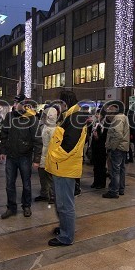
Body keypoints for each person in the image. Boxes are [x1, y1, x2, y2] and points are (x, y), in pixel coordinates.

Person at [45, 90, 88, 246]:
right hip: (62, 167)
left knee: (65, 205)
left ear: (64, 103)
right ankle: (65, 228)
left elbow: (69, 146)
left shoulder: (75, 118)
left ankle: (66, 236)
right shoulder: (71, 116)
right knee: (62, 203)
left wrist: (53, 157)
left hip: (65, 167)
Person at [0, 94, 42, 219]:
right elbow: (4, 133)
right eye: (15, 102)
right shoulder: (9, 116)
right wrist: (3, 150)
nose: (15, 104)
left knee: (26, 183)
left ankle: (26, 206)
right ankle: (11, 207)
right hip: (11, 156)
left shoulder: (31, 118)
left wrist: (36, 159)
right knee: (9, 184)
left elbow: (37, 140)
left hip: (25, 156)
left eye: (17, 102)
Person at [103, 101, 130, 198]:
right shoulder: (123, 117)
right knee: (121, 169)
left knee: (115, 170)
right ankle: (121, 189)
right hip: (123, 147)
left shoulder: (117, 119)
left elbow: (118, 134)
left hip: (117, 148)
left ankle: (114, 191)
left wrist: (112, 147)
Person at [35, 106, 57, 203]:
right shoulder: (42, 126)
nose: (43, 117)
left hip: (50, 157)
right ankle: (44, 194)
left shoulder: (55, 129)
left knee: (50, 177)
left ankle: (53, 196)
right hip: (41, 156)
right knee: (42, 177)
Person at [90, 109, 108, 189]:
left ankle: (101, 183)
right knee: (95, 166)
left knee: (101, 166)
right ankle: (96, 181)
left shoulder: (105, 124)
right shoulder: (96, 123)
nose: (97, 116)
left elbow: (105, 136)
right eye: (96, 114)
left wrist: (98, 137)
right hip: (95, 147)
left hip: (101, 147)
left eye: (98, 114)